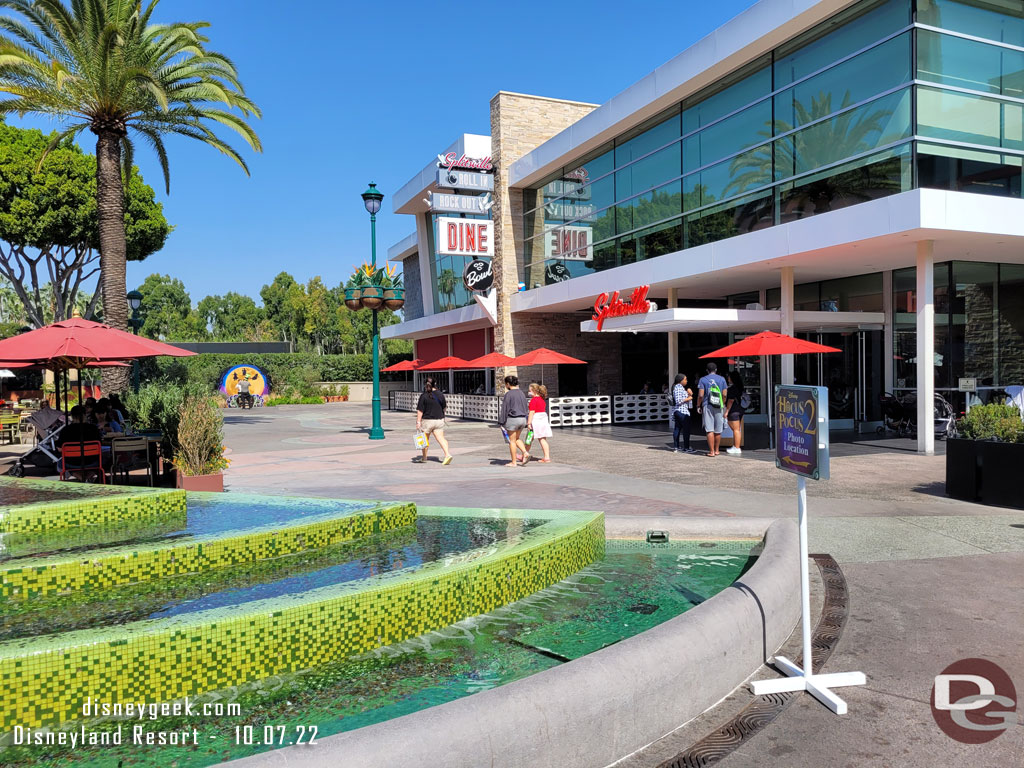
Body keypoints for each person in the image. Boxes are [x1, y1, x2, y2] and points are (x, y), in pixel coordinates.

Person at [415, 377, 453, 465]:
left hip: (427, 421)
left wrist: (418, 422)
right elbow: (444, 407)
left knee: (424, 440)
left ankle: (424, 457)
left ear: (425, 385)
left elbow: (420, 410)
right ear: (435, 384)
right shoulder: (440, 394)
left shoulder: (424, 395)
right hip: (439, 420)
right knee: (441, 438)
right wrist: (442, 416)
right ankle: (447, 454)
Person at [697, 362, 728, 457]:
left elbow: (701, 395)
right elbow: (724, 394)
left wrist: (698, 405)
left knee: (709, 429)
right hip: (719, 406)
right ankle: (717, 450)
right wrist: (722, 403)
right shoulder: (722, 379)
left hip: (707, 405)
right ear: (716, 369)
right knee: (718, 430)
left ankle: (711, 451)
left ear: (707, 370)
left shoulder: (703, 379)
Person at [499, 375, 529, 467]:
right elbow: (525, 406)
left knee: (512, 441)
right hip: (522, 419)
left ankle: (513, 462)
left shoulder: (509, 394)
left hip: (513, 419)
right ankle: (525, 452)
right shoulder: (521, 393)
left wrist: (501, 421)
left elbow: (505, 408)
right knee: (517, 438)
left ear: (508, 384)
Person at [523, 382, 553, 463]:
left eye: (530, 391)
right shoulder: (542, 399)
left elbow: (531, 412)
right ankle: (547, 457)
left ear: (534, 391)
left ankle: (524, 455)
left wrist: (528, 423)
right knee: (543, 439)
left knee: (528, 439)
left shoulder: (533, 400)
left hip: (535, 422)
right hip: (543, 421)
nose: (528, 392)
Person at [669, 373, 694, 453]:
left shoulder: (678, 388)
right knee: (686, 430)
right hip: (681, 411)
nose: (686, 381)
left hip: (678, 411)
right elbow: (679, 401)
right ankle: (686, 447)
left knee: (677, 428)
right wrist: (689, 398)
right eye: (685, 379)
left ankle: (677, 447)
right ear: (681, 380)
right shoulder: (678, 388)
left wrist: (689, 394)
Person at [725, 371, 746, 455]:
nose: (728, 378)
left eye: (729, 377)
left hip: (733, 410)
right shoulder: (740, 387)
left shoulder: (732, 389)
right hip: (740, 409)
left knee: (736, 430)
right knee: (737, 429)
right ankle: (735, 446)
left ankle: (737, 447)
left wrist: (726, 411)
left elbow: (730, 400)